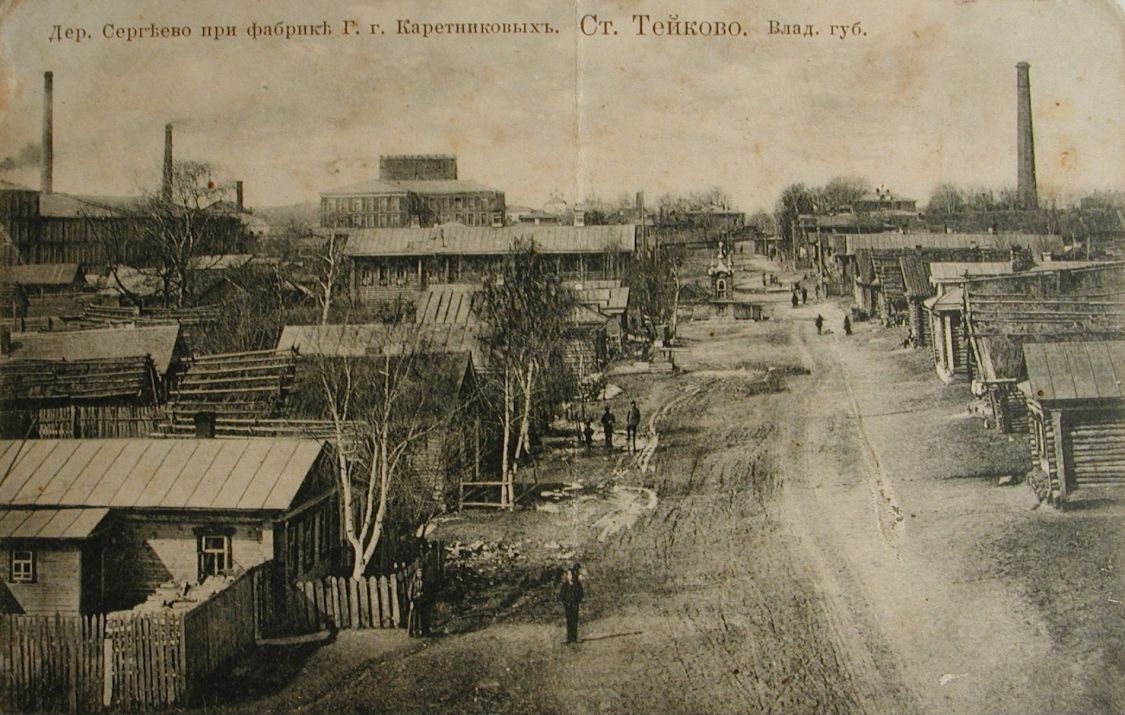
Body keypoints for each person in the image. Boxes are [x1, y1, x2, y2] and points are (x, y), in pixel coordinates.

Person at [558, 564, 584, 644]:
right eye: (568, 574)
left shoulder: (577, 584)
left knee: (574, 621)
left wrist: (577, 601)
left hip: (575, 606)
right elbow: (561, 594)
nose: (569, 576)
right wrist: (565, 602)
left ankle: (574, 638)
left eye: (570, 574)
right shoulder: (565, 585)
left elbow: (581, 594)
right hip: (568, 606)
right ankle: (569, 639)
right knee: (569, 622)